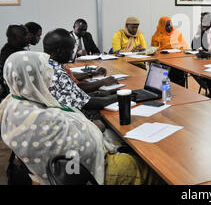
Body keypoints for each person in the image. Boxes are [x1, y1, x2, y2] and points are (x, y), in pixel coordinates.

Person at [0, 51, 161, 185]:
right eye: (44, 71)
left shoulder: (13, 103)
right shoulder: (40, 119)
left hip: (63, 168)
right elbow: (85, 149)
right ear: (32, 77)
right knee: (151, 169)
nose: (50, 75)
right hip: (91, 170)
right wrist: (97, 127)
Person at [44, 29, 118, 121]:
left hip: (62, 113)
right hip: (72, 119)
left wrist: (106, 94)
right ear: (60, 50)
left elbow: (76, 94)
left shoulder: (47, 64)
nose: (72, 53)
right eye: (71, 49)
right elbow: (88, 103)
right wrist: (126, 95)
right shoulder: (57, 73)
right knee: (115, 117)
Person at [151, 16, 188, 86]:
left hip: (177, 60)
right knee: (171, 70)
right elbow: (154, 51)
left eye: (170, 25)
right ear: (162, 26)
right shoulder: (156, 36)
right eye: (167, 26)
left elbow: (184, 47)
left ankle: (180, 90)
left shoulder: (177, 34)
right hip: (164, 61)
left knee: (179, 70)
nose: (169, 27)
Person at [191, 12, 211, 96]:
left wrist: (208, 54)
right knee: (192, 70)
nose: (202, 23)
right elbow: (194, 46)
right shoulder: (202, 30)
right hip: (208, 60)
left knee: (207, 74)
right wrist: (198, 33)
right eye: (201, 21)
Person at [0, 25, 29, 101]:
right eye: (25, 35)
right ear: (16, 37)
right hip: (14, 96)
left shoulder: (18, 51)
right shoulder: (10, 55)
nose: (27, 38)